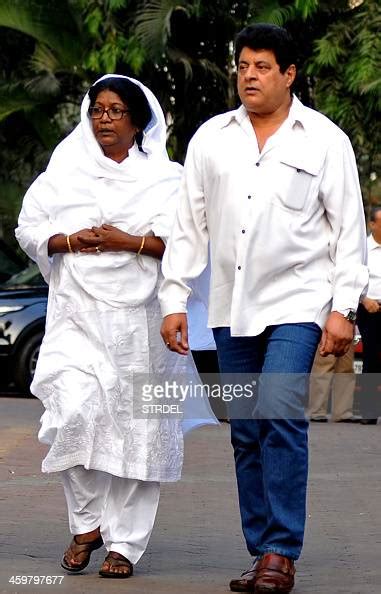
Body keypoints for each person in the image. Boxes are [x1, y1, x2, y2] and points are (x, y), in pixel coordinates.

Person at [159, 23, 368, 594]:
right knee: (246, 429)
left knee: (278, 410)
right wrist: (174, 299)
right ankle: (262, 552)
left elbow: (348, 229)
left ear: (289, 73)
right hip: (231, 306)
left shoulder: (324, 140)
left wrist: (343, 308)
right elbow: (188, 227)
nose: (249, 76)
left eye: (262, 67)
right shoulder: (210, 139)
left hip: (300, 299)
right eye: (243, 65)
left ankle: (281, 551)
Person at [15, 74, 216, 579]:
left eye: (116, 111)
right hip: (76, 315)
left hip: (147, 324)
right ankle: (87, 525)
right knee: (71, 411)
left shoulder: (168, 180)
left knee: (139, 432)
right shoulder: (64, 172)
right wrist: (68, 240)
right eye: (98, 110)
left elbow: (189, 247)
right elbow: (29, 226)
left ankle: (125, 544)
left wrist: (131, 243)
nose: (104, 118)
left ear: (138, 121)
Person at [356, 205, 381, 425]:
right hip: (370, 307)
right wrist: (363, 300)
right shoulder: (361, 248)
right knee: (371, 359)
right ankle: (369, 412)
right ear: (372, 224)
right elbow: (353, 278)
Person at [309, 343, 362, 423]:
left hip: (348, 333)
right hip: (327, 331)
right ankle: (317, 411)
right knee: (323, 367)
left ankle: (343, 412)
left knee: (346, 370)